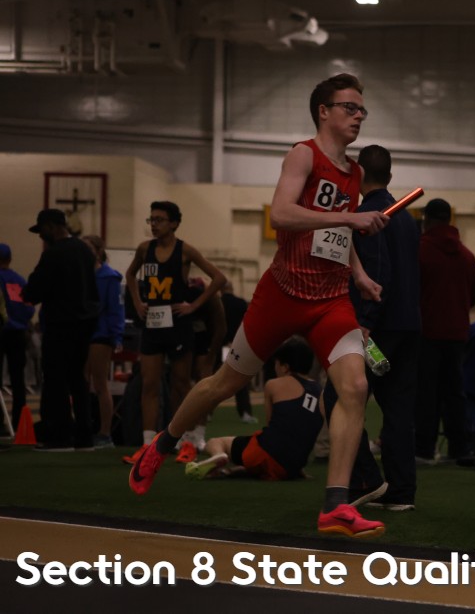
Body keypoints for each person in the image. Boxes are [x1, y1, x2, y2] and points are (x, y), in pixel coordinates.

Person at [126, 73, 390, 540]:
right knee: (224, 383)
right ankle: (161, 444)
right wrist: (352, 215)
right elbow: (282, 214)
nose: (358, 116)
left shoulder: (352, 173)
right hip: (282, 295)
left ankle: (335, 506)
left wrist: (360, 274)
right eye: (349, 108)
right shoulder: (303, 154)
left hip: (330, 301)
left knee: (355, 386)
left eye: (362, 110)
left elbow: (337, 233)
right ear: (324, 111)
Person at [335, 143, 421, 512]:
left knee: (337, 398)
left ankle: (367, 479)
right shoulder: (407, 218)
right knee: (398, 409)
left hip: (376, 327)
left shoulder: (366, 217)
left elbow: (375, 271)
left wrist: (365, 322)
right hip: (408, 324)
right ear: (390, 174)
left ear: (358, 174)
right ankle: (401, 493)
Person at [122, 201, 227, 464]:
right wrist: (137, 302)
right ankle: (148, 444)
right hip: (152, 324)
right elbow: (130, 275)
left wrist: (194, 305)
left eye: (159, 219)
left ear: (174, 223)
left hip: (178, 325)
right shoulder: (144, 249)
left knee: (181, 385)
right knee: (149, 384)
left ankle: (186, 441)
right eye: (151, 219)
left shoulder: (185, 250)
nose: (154, 224)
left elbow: (218, 278)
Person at [185, 338, 323, 481]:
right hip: (292, 466)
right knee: (265, 458)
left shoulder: (274, 385)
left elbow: (271, 425)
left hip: (266, 453)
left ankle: (219, 455)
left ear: (285, 367)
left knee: (216, 442)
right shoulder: (319, 391)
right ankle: (233, 471)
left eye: (276, 363)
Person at [22, 209, 100, 450]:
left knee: (55, 379)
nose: (40, 236)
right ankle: (84, 436)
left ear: (51, 226)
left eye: (41, 230)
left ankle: (60, 435)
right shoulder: (84, 251)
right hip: (85, 324)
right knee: (77, 379)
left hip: (60, 324)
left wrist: (29, 291)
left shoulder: (54, 254)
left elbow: (33, 291)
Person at [415, 197, 475, 462]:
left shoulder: (419, 251)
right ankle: (459, 448)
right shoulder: (467, 256)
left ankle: (424, 448)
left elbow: (409, 289)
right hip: (457, 334)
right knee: (455, 392)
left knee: (426, 393)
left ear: (428, 220)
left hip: (426, 333)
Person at [81, 235, 125, 449]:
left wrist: (116, 336)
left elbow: (116, 309)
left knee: (100, 384)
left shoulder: (109, 277)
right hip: (82, 333)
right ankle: (83, 428)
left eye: (88, 248)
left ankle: (105, 433)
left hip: (101, 335)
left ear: (98, 251)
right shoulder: (81, 274)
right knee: (81, 383)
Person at [0, 243, 36, 427]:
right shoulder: (19, 280)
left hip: (1, 331)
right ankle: (19, 421)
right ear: (10, 259)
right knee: (18, 379)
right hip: (18, 334)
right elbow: (29, 309)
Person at [220, 281, 255, 423]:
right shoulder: (241, 303)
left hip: (220, 345)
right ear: (232, 288)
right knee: (240, 380)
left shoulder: (219, 303)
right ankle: (245, 412)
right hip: (237, 345)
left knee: (212, 378)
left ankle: (206, 413)